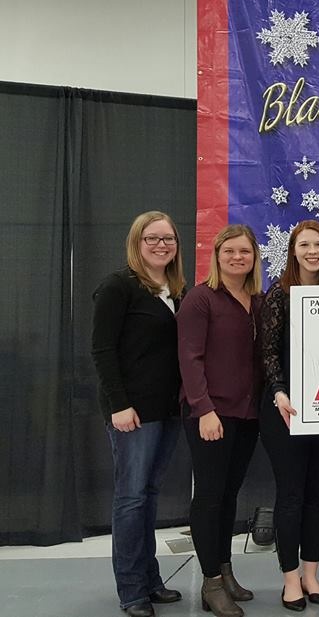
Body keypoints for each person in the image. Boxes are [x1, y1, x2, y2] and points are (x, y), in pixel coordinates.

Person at [92, 211, 187, 617]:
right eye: (152, 238)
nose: (161, 245)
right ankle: (132, 591)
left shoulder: (178, 290)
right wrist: (119, 404)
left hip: (168, 409)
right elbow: (102, 350)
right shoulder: (118, 287)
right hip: (133, 412)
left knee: (148, 495)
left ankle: (150, 580)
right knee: (131, 499)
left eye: (168, 238)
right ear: (137, 242)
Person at [178, 224, 263, 617]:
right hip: (210, 414)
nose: (237, 257)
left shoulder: (257, 300)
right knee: (209, 497)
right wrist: (204, 409)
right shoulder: (200, 299)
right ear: (216, 256)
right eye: (229, 251)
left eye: (244, 251)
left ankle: (225, 571)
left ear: (254, 257)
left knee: (229, 496)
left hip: (247, 414)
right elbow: (189, 358)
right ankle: (210, 582)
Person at [260, 220, 319, 612]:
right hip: (285, 410)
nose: (312, 252)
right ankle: (290, 578)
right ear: (293, 250)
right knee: (290, 495)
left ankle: (311, 574)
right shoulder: (279, 294)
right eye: (305, 245)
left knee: (317, 495)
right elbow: (268, 351)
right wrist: (279, 392)